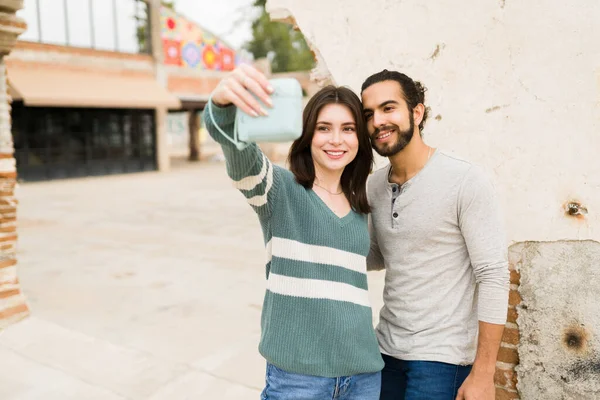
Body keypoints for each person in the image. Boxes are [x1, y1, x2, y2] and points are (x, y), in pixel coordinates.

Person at [204, 64, 384, 399]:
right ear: (307, 136)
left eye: (347, 129)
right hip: (298, 381)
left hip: (363, 376)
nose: (336, 139)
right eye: (323, 128)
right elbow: (239, 154)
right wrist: (223, 105)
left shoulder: (363, 206)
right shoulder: (280, 191)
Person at [360, 69, 509, 400]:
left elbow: (494, 276)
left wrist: (484, 373)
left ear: (417, 112)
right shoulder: (373, 185)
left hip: (442, 360)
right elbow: (375, 256)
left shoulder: (464, 180)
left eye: (388, 108)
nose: (377, 121)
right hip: (384, 352)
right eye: (368, 114)